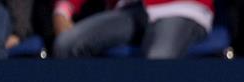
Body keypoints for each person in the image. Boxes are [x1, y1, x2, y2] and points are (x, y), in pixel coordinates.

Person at [52, 0, 212, 58]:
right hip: (130, 9)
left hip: (179, 7)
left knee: (157, 61)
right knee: (66, 44)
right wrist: (63, 9)